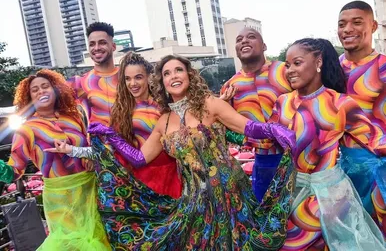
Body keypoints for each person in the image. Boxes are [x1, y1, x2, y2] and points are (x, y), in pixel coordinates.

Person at [50, 55, 297, 250]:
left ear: (189, 74)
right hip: (195, 203)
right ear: (162, 82)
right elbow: (139, 158)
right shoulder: (163, 122)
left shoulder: (210, 104)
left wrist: (274, 129)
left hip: (231, 194)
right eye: (167, 73)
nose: (173, 76)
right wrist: (110, 138)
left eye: (178, 70)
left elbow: (247, 127)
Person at [269, 38, 386, 250]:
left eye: (297, 63)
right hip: (292, 191)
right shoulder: (282, 103)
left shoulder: (340, 103)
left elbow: (376, 140)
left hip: (331, 196)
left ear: (318, 62)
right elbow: (266, 142)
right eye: (287, 65)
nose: (290, 70)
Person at [0, 70, 110, 250]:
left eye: (45, 86)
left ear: (55, 89)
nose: (41, 92)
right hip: (60, 198)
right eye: (35, 90)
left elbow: (88, 145)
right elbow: (15, 171)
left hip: (90, 189)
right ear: (29, 97)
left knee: (99, 239)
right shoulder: (26, 129)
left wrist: (89, 157)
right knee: (70, 243)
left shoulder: (74, 117)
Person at [220, 28, 292, 201]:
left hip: (298, 157)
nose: (244, 41)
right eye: (239, 39)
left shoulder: (285, 71)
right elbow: (222, 127)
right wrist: (248, 140)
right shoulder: (230, 86)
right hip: (263, 163)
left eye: (251, 37)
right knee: (265, 216)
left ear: (264, 45)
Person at [337, 0, 386, 236]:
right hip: (342, 170)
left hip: (380, 169)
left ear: (374, 25)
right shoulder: (330, 70)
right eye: (342, 24)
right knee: (353, 236)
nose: (347, 29)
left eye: (357, 22)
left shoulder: (384, 67)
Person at [109, 52, 182, 198]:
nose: (133, 84)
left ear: (149, 77)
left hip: (170, 178)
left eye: (138, 77)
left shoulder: (164, 107)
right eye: (127, 79)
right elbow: (114, 148)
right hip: (138, 182)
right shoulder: (121, 111)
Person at [68, 22, 118, 126]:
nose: (96, 48)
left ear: (113, 46)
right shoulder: (79, 82)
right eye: (92, 44)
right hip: (97, 141)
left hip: (132, 141)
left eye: (102, 43)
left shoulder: (128, 77)